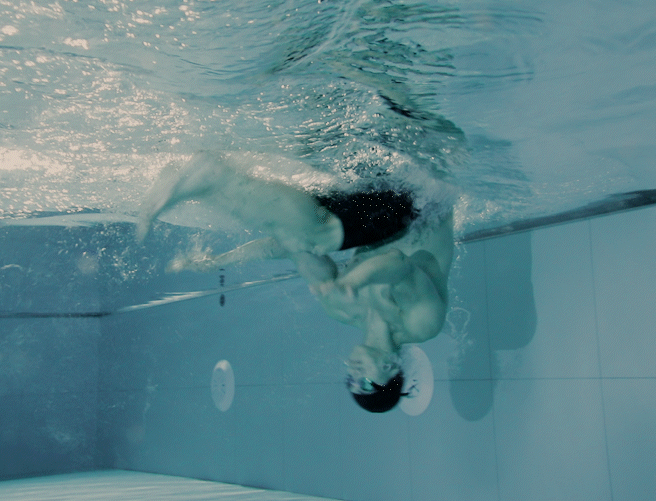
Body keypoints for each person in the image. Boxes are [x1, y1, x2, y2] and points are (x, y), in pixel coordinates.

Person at [138, 151, 454, 413]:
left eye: (351, 382)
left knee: (303, 227)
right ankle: (213, 176)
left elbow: (290, 246)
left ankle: (206, 186)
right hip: (420, 202)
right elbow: (399, 265)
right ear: (390, 371)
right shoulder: (421, 324)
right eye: (365, 383)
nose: (354, 374)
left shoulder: (341, 310)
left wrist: (221, 261)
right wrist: (352, 283)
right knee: (321, 235)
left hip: (376, 203)